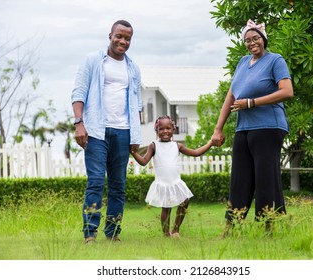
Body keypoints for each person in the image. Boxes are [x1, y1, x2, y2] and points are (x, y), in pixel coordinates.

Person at [211, 19, 294, 236]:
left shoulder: (275, 60)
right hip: (243, 128)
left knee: (266, 178)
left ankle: (269, 228)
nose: (251, 43)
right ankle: (229, 229)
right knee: (239, 179)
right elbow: (231, 96)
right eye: (247, 40)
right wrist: (218, 128)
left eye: (255, 38)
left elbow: (287, 91)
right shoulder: (242, 63)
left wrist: (252, 102)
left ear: (263, 39)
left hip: (269, 126)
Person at [71, 20, 142, 244]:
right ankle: (90, 233)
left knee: (118, 184)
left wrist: (135, 136)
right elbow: (79, 92)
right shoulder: (93, 60)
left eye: (127, 38)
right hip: (95, 131)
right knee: (95, 181)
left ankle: (112, 233)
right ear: (110, 35)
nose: (122, 41)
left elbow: (137, 104)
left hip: (123, 131)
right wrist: (79, 123)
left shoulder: (133, 68)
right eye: (119, 36)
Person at [131, 115, 213, 238]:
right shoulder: (154, 145)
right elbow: (143, 162)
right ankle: (166, 234)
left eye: (168, 128)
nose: (165, 131)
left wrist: (210, 143)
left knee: (185, 201)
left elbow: (196, 153)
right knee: (166, 208)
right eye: (161, 129)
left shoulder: (177, 146)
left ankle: (175, 230)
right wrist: (133, 152)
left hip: (176, 182)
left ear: (173, 129)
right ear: (157, 131)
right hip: (163, 183)